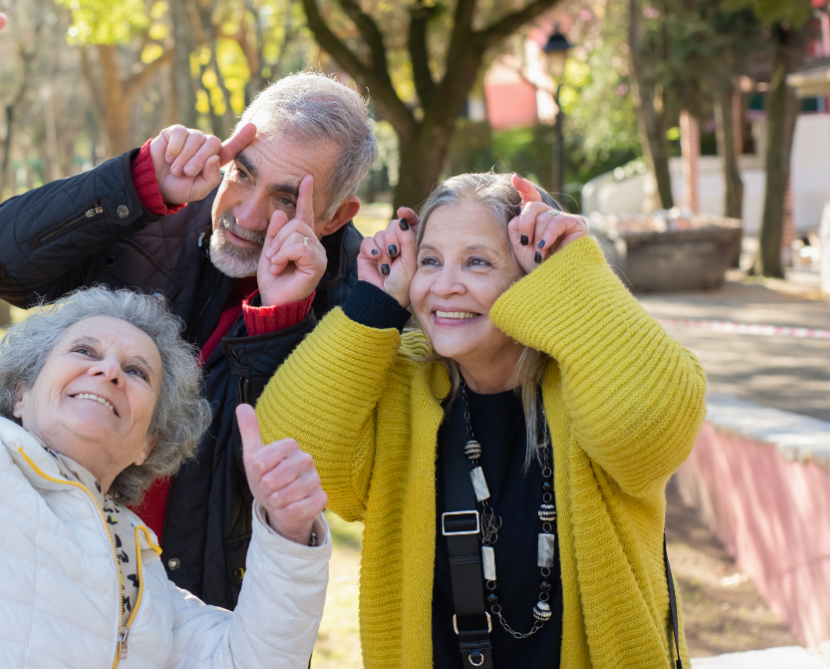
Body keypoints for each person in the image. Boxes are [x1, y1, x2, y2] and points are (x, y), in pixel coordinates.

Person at [0, 0, 332, 667]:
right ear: (20, 390)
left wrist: (289, 538)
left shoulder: (144, 581)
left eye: (137, 371)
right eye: (83, 350)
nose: (109, 369)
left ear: (150, 443)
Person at [255, 172, 707, 667]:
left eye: (477, 262)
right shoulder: (402, 383)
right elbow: (290, 452)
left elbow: (647, 430)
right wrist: (373, 304)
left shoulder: (593, 377)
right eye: (430, 261)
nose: (445, 287)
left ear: (533, 275)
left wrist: (574, 274)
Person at [0, 68, 377, 608]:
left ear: (335, 217)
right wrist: (137, 182)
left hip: (200, 611)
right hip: (50, 570)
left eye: (284, 199)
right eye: (243, 173)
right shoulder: (158, 210)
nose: (246, 214)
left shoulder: (358, 304)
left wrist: (279, 318)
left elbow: (274, 475)